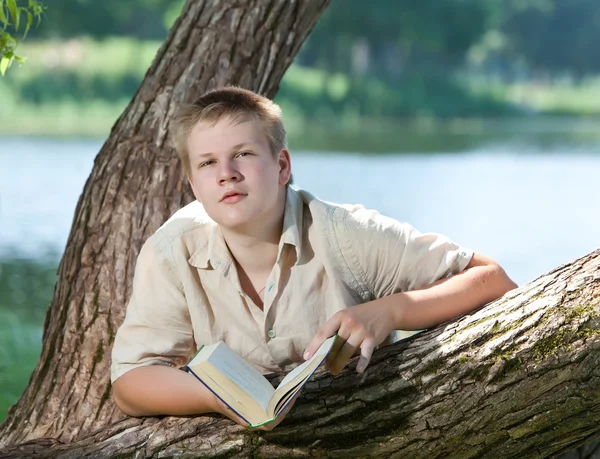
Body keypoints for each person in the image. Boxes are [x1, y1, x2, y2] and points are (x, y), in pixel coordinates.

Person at [110, 86, 517, 429]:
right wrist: (218, 395)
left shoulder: (345, 232)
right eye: (208, 163)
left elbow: (493, 279)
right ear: (194, 186)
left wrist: (391, 312)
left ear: (282, 165)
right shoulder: (171, 251)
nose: (227, 173)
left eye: (244, 155)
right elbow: (130, 381)